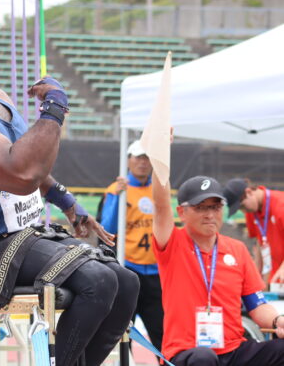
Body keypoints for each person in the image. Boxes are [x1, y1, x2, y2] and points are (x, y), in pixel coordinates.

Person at [0, 18, 140, 365]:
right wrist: (54, 109)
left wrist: (69, 204)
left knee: (125, 282)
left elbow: (29, 158)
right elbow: (22, 173)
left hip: (21, 237)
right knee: (98, 282)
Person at [152, 166, 284, 365]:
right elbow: (161, 204)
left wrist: (277, 321)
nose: (209, 214)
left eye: (215, 207)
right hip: (188, 352)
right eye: (201, 207)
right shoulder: (173, 242)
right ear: (182, 212)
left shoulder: (237, 249)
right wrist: (159, 145)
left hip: (234, 349)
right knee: (204, 357)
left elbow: (256, 305)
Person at [100, 140, 164, 357]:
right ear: (128, 159)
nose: (143, 163)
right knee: (124, 331)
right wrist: (117, 196)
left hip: (156, 273)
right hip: (129, 270)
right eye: (138, 157)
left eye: (147, 158)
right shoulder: (116, 190)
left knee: (161, 331)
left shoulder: (158, 188)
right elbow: (107, 228)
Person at [224, 178, 284, 286]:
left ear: (249, 192)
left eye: (242, 206)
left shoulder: (281, 204)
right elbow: (260, 244)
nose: (243, 211)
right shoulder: (251, 212)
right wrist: (256, 278)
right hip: (276, 280)